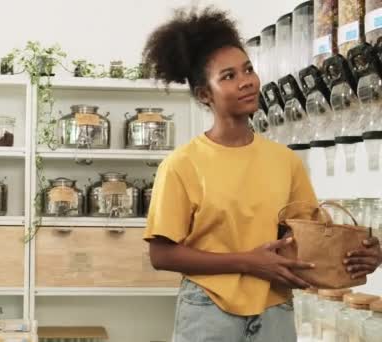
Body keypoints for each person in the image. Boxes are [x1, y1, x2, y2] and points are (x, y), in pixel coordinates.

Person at [142, 7, 382, 342]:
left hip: (275, 307)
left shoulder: (285, 161)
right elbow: (162, 255)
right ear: (204, 95)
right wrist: (248, 262)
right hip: (208, 310)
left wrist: (364, 254)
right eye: (228, 76)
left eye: (248, 70)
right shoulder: (182, 164)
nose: (246, 82)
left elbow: (309, 238)